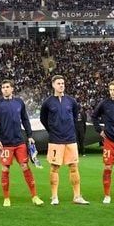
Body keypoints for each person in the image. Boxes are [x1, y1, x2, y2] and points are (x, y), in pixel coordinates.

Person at [0, 80, 43, 207]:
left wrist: (30, 135)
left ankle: (35, 196)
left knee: (25, 167)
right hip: (6, 143)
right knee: (5, 169)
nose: (5, 89)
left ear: (12, 89)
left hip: (20, 142)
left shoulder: (19, 102)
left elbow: (25, 119)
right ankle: (6, 198)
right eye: (3, 87)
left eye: (7, 87)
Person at [39, 74, 87, 205]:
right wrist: (52, 130)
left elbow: (75, 115)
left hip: (70, 139)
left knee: (74, 167)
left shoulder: (71, 101)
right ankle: (54, 197)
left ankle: (77, 196)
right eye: (59, 83)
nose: (61, 85)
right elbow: (43, 119)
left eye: (63, 83)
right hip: (55, 140)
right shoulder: (48, 102)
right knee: (54, 167)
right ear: (53, 85)